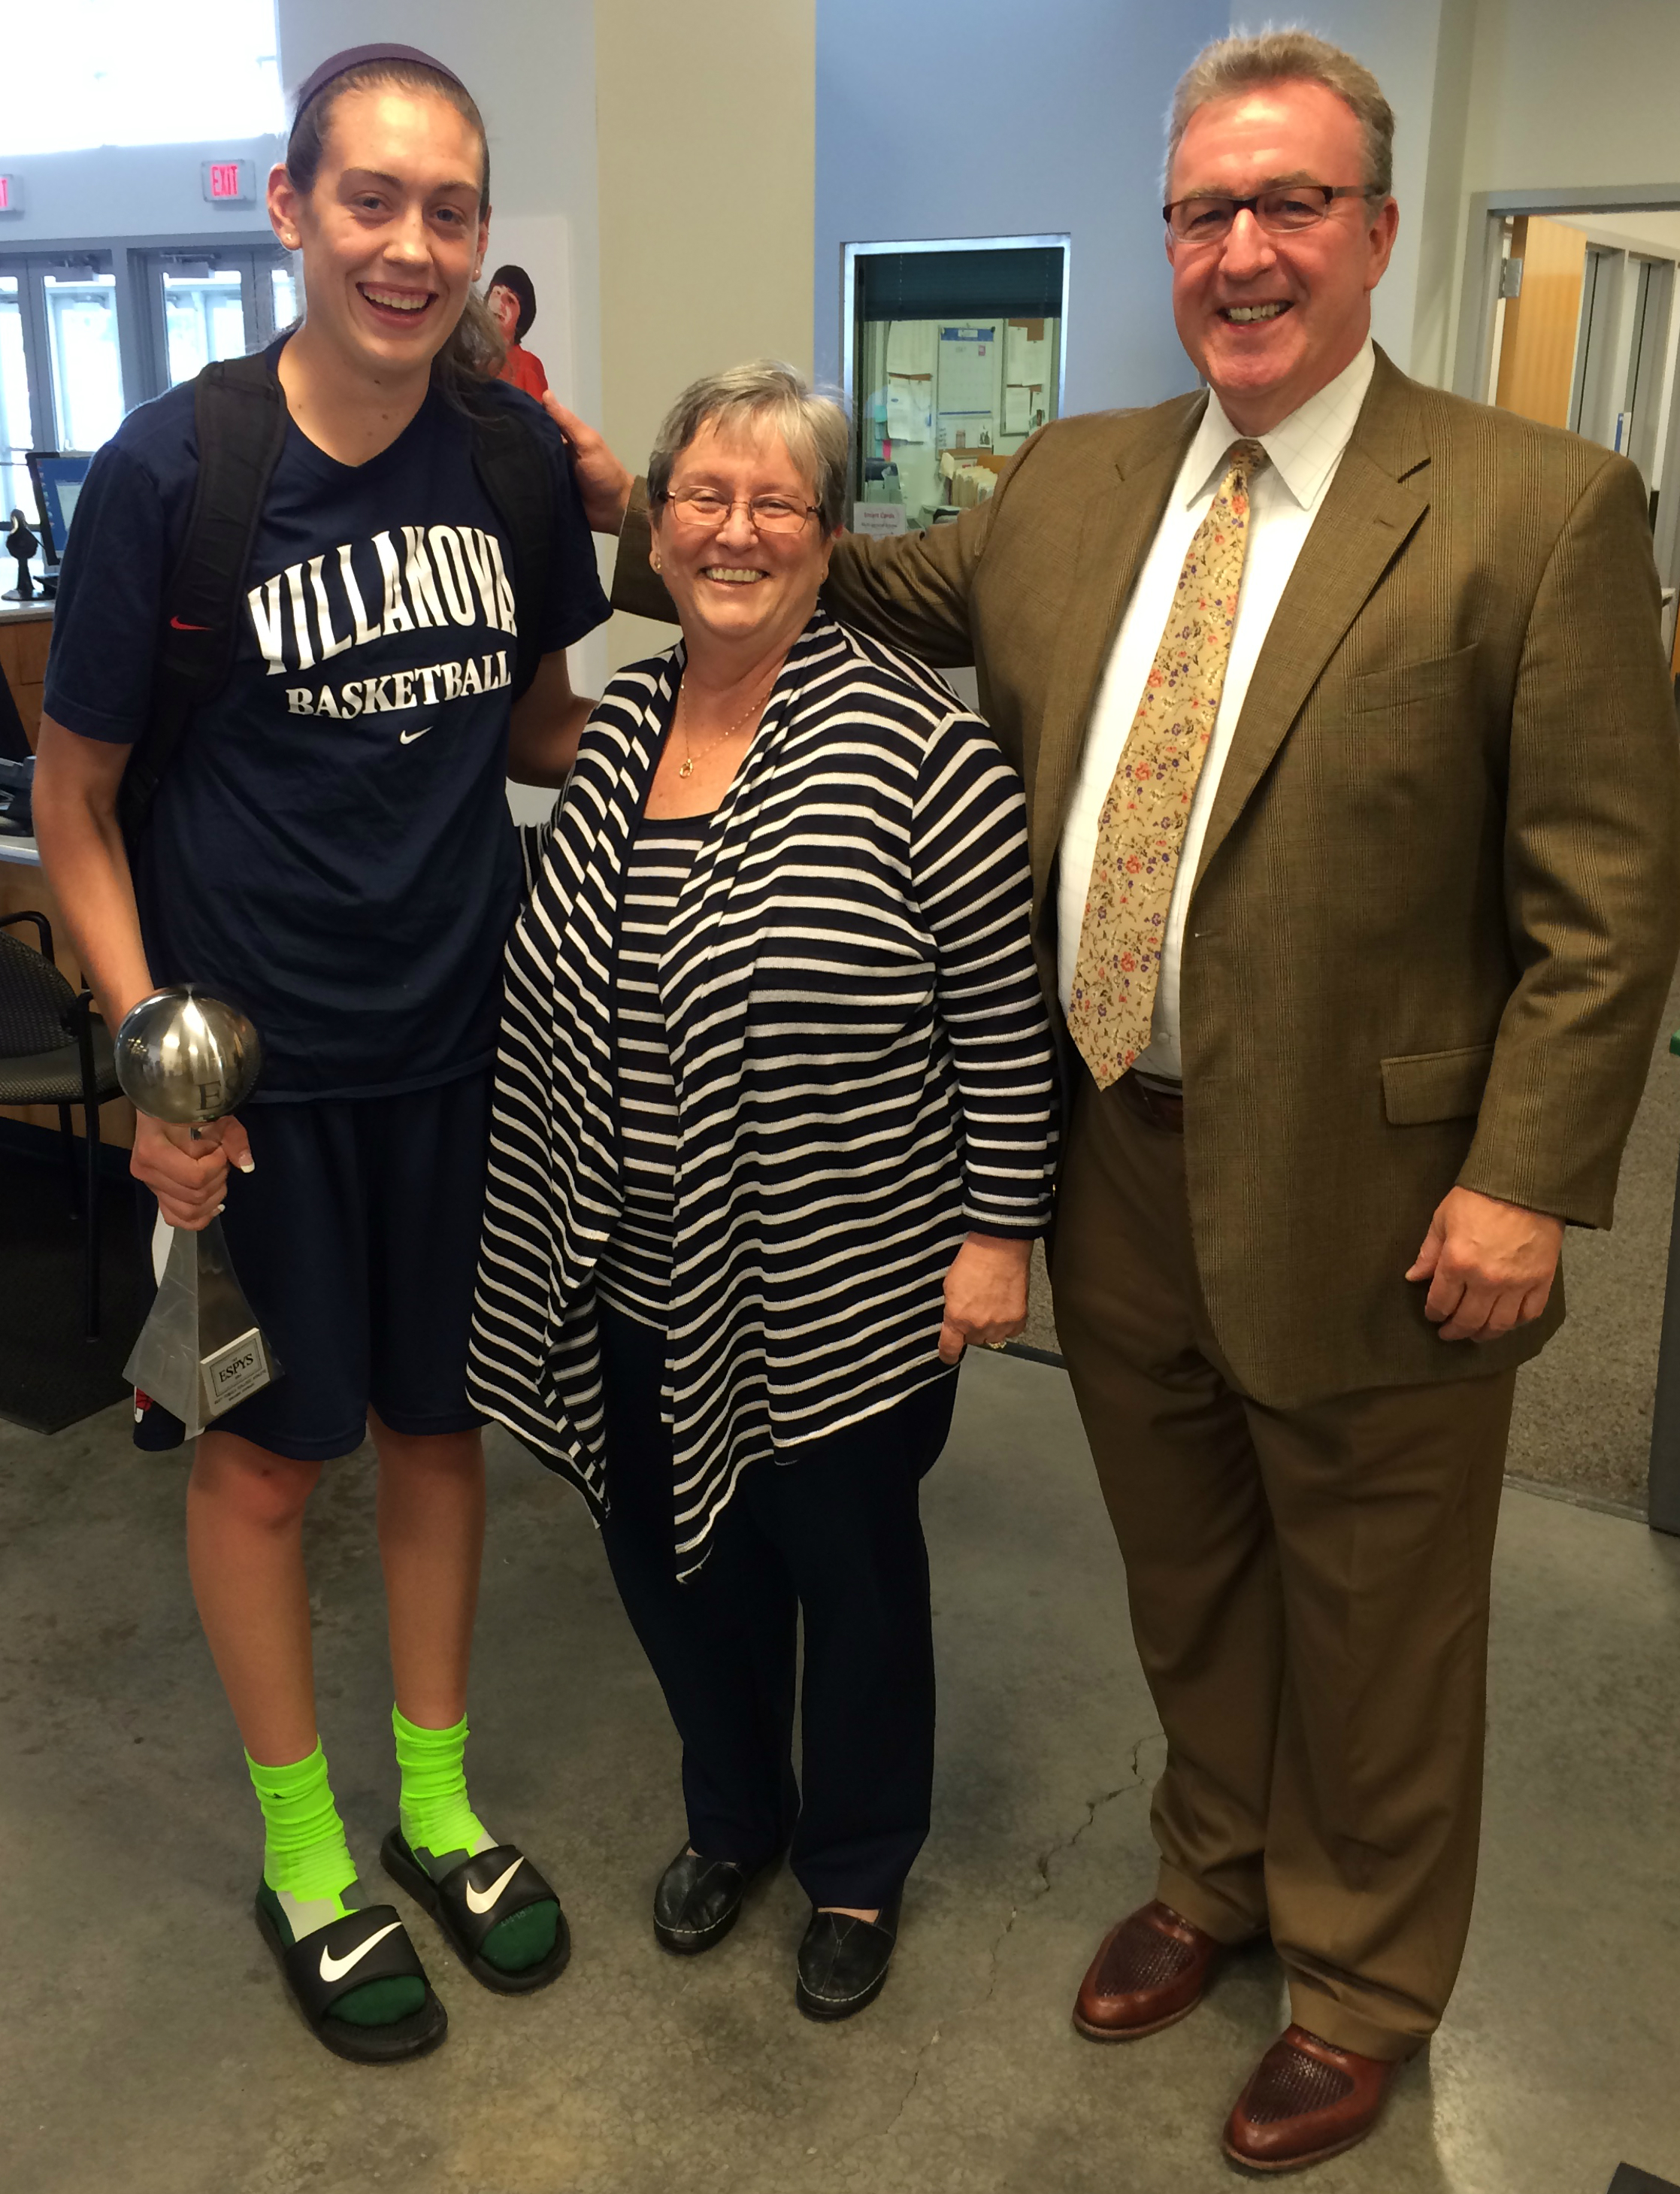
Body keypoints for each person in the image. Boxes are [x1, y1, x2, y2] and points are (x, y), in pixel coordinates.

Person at [555, 29, 1680, 2168]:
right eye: (1201, 210)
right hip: (1114, 1164)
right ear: (1165, 234)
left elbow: (1611, 900)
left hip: (1385, 1189)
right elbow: (805, 568)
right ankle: (1218, 1869)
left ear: (1369, 228)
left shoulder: (1531, 509)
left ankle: (1356, 1974)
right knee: (1186, 1570)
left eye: (1285, 207)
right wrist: (603, 477)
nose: (1240, 249)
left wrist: (1523, 1175)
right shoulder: (1074, 483)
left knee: (1374, 1600)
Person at [32, 44, 609, 2065]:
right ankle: (306, 1852)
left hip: (466, 1051)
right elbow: (79, 795)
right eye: (369, 199)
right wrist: (151, 1067)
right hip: (257, 1095)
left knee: (446, 1431)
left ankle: (435, 1806)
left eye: (448, 208)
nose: (410, 242)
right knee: (275, 1463)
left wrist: (719, 602)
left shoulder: (517, 467)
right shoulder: (173, 478)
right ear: (289, 212)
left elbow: (540, 729)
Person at [468, 361, 1055, 2021]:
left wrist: (997, 1232)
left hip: (845, 1283)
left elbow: (1002, 1019)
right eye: (701, 497)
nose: (733, 531)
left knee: (850, 1589)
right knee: (674, 1570)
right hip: (629, 1268)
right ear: (655, 522)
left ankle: (857, 1865)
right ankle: (731, 1816)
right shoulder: (625, 726)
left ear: (824, 531)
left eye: (775, 501)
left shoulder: (918, 743)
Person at [487, 265, 549, 398]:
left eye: (510, 300)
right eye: (496, 292)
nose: (500, 302)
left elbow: (534, 417)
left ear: (521, 317)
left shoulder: (528, 365)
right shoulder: (475, 366)